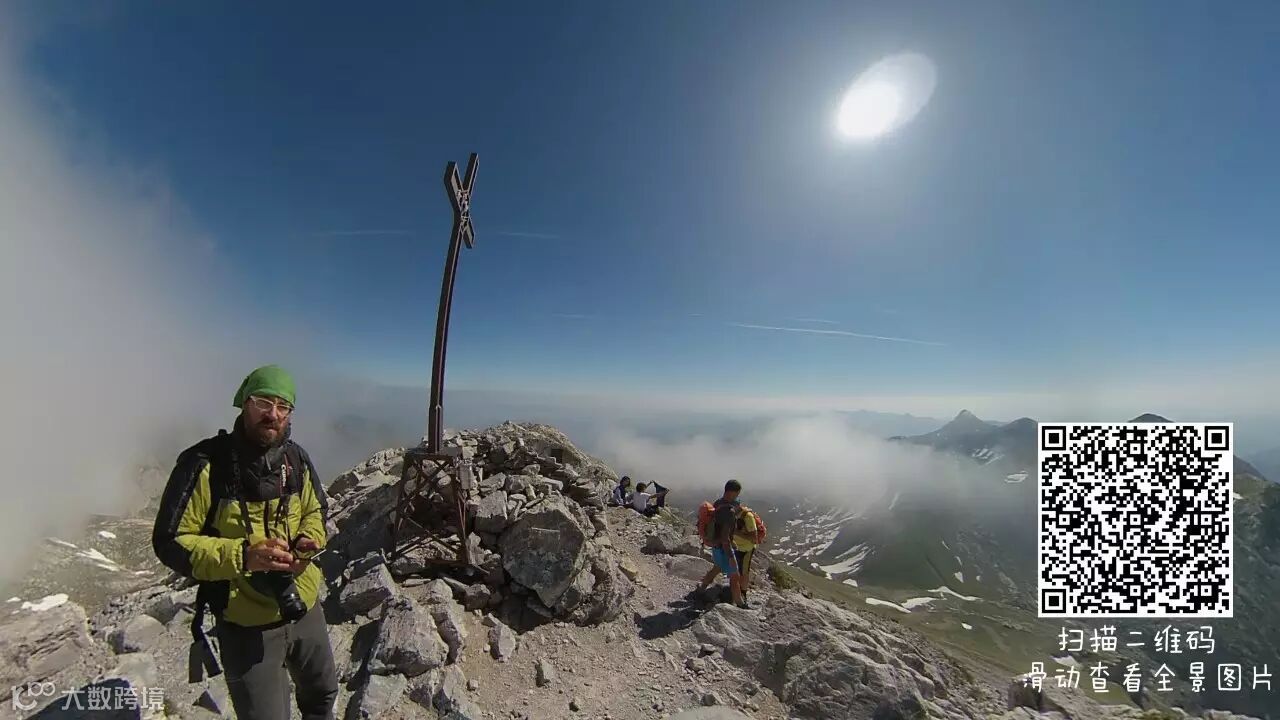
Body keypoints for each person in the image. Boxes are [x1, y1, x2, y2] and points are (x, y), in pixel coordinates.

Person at [152, 365, 339, 720]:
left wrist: (308, 539)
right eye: (263, 402)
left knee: (322, 694)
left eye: (283, 406)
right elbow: (170, 541)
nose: (273, 414)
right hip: (245, 621)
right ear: (244, 403)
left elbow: (316, 508)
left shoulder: (296, 459)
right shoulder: (206, 465)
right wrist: (242, 556)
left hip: (303, 602)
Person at [696, 479, 749, 608]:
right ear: (732, 492)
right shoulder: (729, 512)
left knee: (717, 568)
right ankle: (740, 604)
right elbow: (725, 537)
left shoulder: (718, 503)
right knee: (735, 576)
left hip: (715, 545)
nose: (737, 496)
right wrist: (731, 557)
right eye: (737, 494)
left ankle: (701, 589)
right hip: (724, 547)